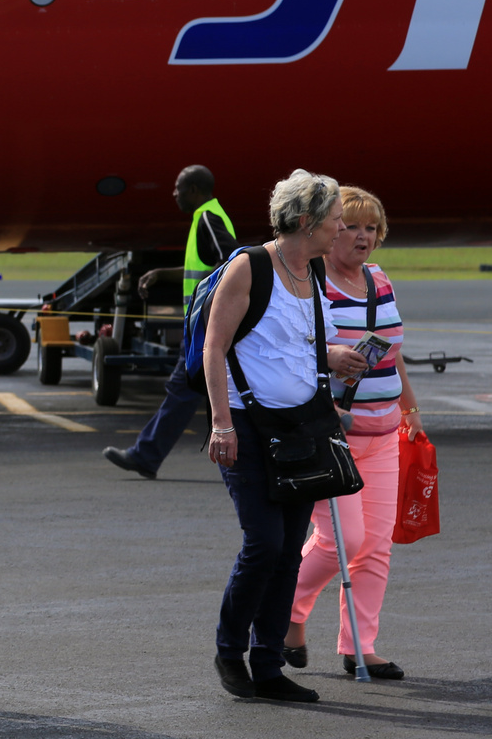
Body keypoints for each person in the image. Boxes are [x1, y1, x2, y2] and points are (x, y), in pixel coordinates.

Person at [202, 170, 371, 703]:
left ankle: (269, 664)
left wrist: (331, 361)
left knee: (289, 554)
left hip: (301, 426)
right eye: (334, 221)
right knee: (266, 543)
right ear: (304, 222)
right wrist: (220, 422)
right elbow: (214, 347)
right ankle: (230, 652)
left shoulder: (313, 271)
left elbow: (291, 343)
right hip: (247, 426)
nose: (341, 229)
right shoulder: (249, 267)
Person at [286, 186, 425, 680]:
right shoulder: (311, 282)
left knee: (376, 545)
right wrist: (328, 357)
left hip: (385, 430)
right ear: (328, 230)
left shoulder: (380, 280)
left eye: (371, 227)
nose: (362, 236)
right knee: (342, 539)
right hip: (333, 433)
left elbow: (391, 349)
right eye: (351, 226)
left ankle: (361, 646)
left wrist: (408, 404)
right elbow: (286, 343)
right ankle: (289, 611)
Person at [104, 165, 237, 478]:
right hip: (203, 324)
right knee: (189, 391)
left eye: (178, 188)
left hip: (206, 324)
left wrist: (207, 294)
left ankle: (145, 456)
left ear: (193, 190)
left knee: (182, 390)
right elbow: (207, 266)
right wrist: (162, 273)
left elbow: (230, 261)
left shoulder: (207, 217)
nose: (174, 195)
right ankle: (146, 456)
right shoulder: (206, 216)